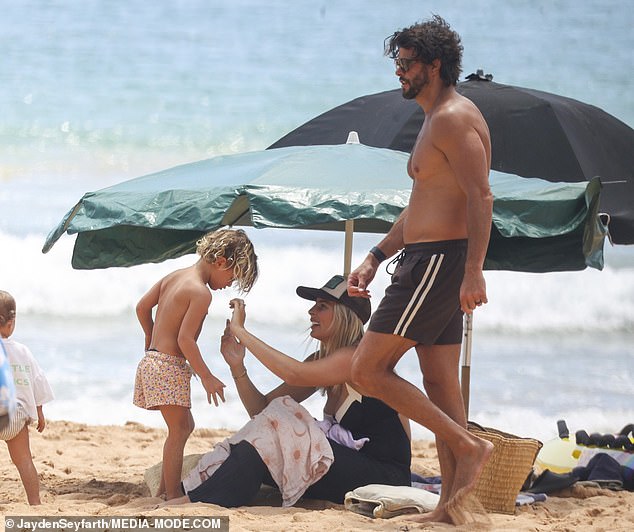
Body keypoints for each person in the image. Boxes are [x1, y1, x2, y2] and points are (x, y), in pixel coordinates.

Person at [346, 15, 494, 524]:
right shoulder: (435, 120)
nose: (400, 74)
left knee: (365, 369)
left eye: (407, 65)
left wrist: (474, 270)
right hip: (427, 259)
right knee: (441, 388)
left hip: (437, 263)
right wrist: (376, 255)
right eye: (397, 64)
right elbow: (421, 205)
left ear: (434, 65)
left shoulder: (454, 117)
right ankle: (454, 510)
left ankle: (467, 446)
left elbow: (481, 195)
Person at [165, 274, 411, 506]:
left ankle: (196, 499)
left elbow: (293, 374)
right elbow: (261, 410)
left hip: (383, 476)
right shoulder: (322, 360)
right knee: (266, 434)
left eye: (322, 306)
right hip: (351, 467)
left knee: (282, 417)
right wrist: (237, 365)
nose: (311, 311)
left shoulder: (355, 358)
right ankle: (197, 495)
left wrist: (242, 332)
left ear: (347, 315)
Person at [133, 228, 258, 500]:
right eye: (231, 278)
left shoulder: (175, 276)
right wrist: (207, 377)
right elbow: (186, 340)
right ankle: (173, 495)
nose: (228, 285)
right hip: (168, 365)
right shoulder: (201, 293)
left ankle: (165, 490)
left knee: (184, 426)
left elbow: (142, 307)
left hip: (153, 361)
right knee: (178, 430)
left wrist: (150, 335)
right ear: (221, 262)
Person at [0, 290, 54, 505]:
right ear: (11, 324)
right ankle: (35, 502)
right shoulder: (23, 351)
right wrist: (39, 412)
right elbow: (37, 382)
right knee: (24, 461)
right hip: (17, 415)